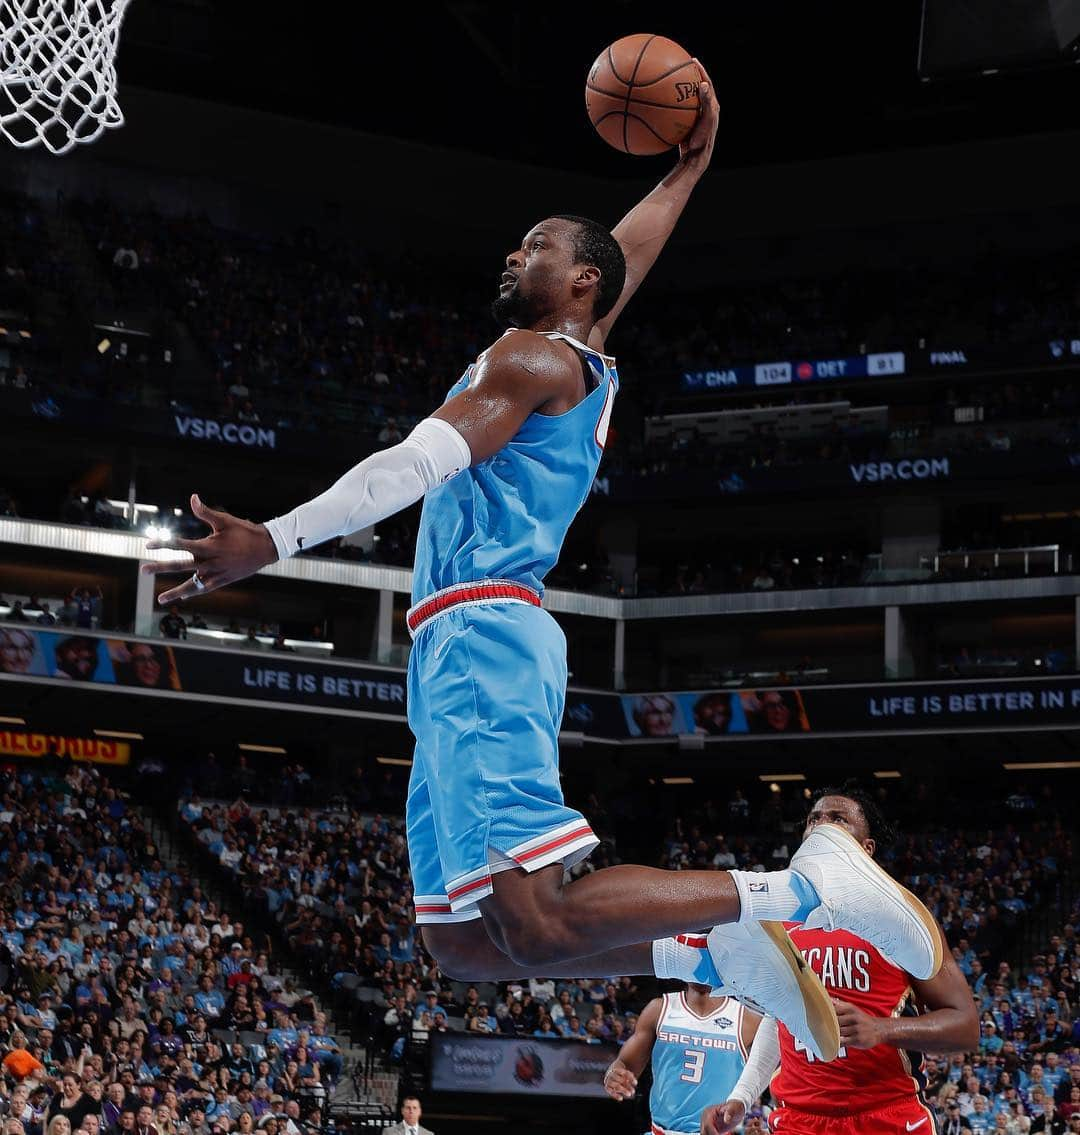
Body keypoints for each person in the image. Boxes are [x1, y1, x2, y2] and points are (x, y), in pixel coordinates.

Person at [142, 70, 941, 1063]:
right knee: (468, 944)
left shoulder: (528, 357)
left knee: (543, 915)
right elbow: (627, 252)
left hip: (480, 631)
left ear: (577, 284)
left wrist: (275, 538)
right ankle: (716, 958)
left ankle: (809, 885)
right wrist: (689, 167)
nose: (516, 252)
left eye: (539, 245)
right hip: (460, 647)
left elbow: (416, 460)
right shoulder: (580, 350)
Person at [700, 785, 979, 1135]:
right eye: (814, 819)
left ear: (866, 849)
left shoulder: (901, 920)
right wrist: (742, 1097)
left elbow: (966, 1028)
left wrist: (882, 1029)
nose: (821, 825)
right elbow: (783, 1016)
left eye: (838, 819)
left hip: (887, 1114)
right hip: (799, 1118)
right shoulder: (778, 919)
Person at [604, 982, 760, 1135]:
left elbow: (776, 1071)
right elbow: (624, 1064)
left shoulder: (748, 1018)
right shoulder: (659, 1009)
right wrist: (613, 1074)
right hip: (660, 1130)